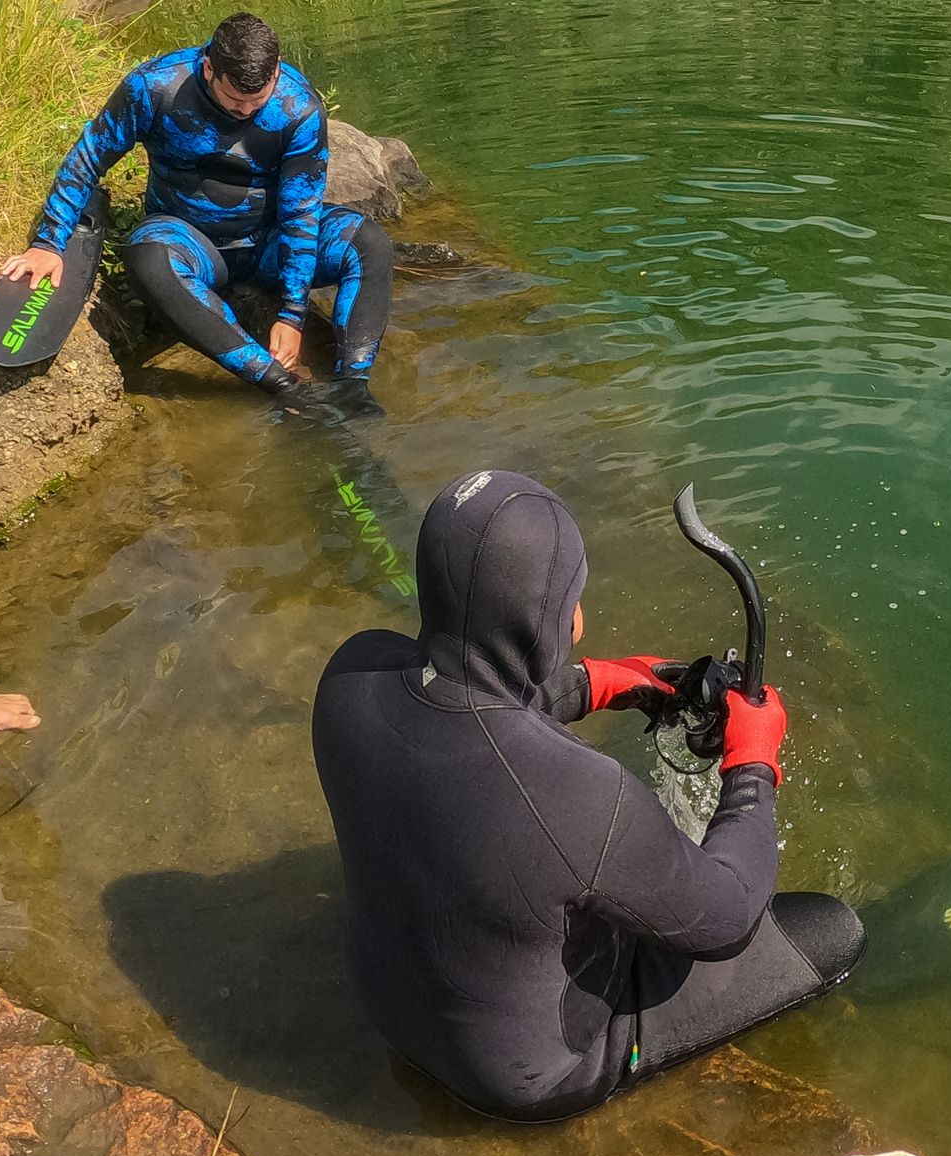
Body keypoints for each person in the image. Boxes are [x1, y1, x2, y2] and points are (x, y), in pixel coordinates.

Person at [310, 468, 862, 1119]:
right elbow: (728, 915)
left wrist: (602, 682)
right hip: (531, 1076)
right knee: (834, 931)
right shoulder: (580, 795)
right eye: (569, 599)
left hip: (388, 1008)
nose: (578, 619)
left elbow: (469, 711)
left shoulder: (351, 673)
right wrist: (753, 765)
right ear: (543, 615)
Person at [0, 11, 391, 418]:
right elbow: (88, 158)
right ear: (208, 69)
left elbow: (301, 214)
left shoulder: (298, 108)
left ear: (275, 73)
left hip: (268, 242)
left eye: (258, 100)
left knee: (367, 243)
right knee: (147, 256)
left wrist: (292, 315)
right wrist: (48, 243)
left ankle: (352, 385)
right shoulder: (155, 87)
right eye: (234, 99)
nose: (245, 111)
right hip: (191, 241)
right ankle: (279, 384)